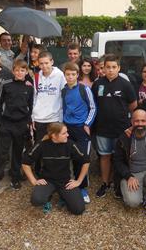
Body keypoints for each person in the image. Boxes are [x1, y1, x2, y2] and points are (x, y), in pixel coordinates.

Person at [0, 59, 34, 194]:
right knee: (2, 152)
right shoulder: (6, 84)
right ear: (13, 71)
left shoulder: (29, 87)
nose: (19, 73)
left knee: (17, 152)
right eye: (17, 70)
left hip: (21, 124)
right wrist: (0, 120)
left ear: (26, 72)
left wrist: (28, 122)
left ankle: (15, 177)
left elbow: (31, 105)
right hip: (7, 123)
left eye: (22, 70)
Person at [92, 54, 137, 198]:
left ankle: (119, 184)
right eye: (107, 67)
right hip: (102, 128)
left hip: (121, 128)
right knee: (105, 157)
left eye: (113, 67)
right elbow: (93, 104)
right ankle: (105, 183)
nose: (110, 70)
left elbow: (133, 104)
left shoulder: (125, 84)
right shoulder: (98, 84)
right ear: (103, 68)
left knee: (120, 157)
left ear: (119, 68)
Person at [22, 123, 89, 215]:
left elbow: (86, 161)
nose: (68, 135)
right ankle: (48, 198)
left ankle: (63, 196)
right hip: (48, 180)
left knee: (78, 209)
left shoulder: (70, 144)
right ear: (54, 135)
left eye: (67, 132)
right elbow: (25, 163)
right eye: (64, 133)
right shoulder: (42, 145)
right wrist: (34, 181)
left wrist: (79, 181)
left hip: (65, 181)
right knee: (36, 200)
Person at [62, 62, 96, 203]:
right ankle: (67, 187)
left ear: (77, 75)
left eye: (73, 74)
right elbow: (63, 108)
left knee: (82, 158)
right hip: (67, 128)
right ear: (64, 75)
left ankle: (82, 187)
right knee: (67, 157)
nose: (70, 77)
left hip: (81, 128)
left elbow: (93, 108)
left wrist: (87, 124)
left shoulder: (84, 89)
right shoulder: (64, 90)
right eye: (67, 74)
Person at [32, 51, 66, 175]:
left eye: (46, 63)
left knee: (54, 147)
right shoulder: (36, 76)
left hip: (54, 118)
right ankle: (40, 172)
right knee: (40, 146)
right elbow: (34, 98)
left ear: (52, 62)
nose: (44, 66)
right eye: (41, 63)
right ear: (38, 64)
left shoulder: (60, 75)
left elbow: (64, 96)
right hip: (39, 118)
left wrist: (61, 119)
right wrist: (33, 117)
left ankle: (55, 172)